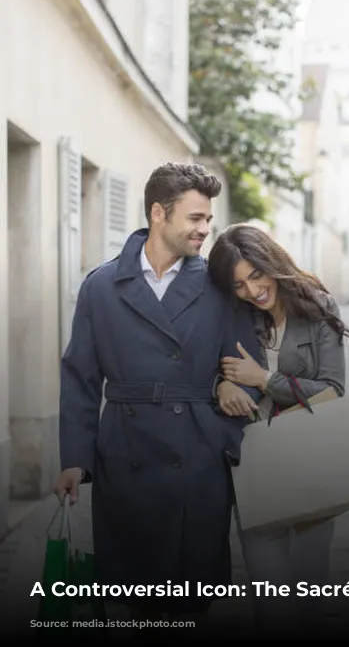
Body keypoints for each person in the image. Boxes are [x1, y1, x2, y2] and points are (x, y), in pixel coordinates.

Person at [53, 163, 261, 633]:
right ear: (158, 214)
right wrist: (74, 460)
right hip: (126, 454)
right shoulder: (101, 286)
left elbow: (249, 366)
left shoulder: (219, 287)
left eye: (208, 219)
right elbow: (81, 379)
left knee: (191, 600)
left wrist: (227, 407)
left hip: (199, 456)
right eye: (195, 219)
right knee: (138, 598)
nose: (206, 229)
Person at [207, 223, 349, 635]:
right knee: (270, 603)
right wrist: (220, 384)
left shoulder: (318, 307)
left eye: (256, 275)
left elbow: (333, 391)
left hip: (310, 465)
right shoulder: (232, 317)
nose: (253, 291)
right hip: (254, 467)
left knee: (308, 599)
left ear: (272, 263)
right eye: (239, 285)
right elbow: (202, 372)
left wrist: (264, 380)